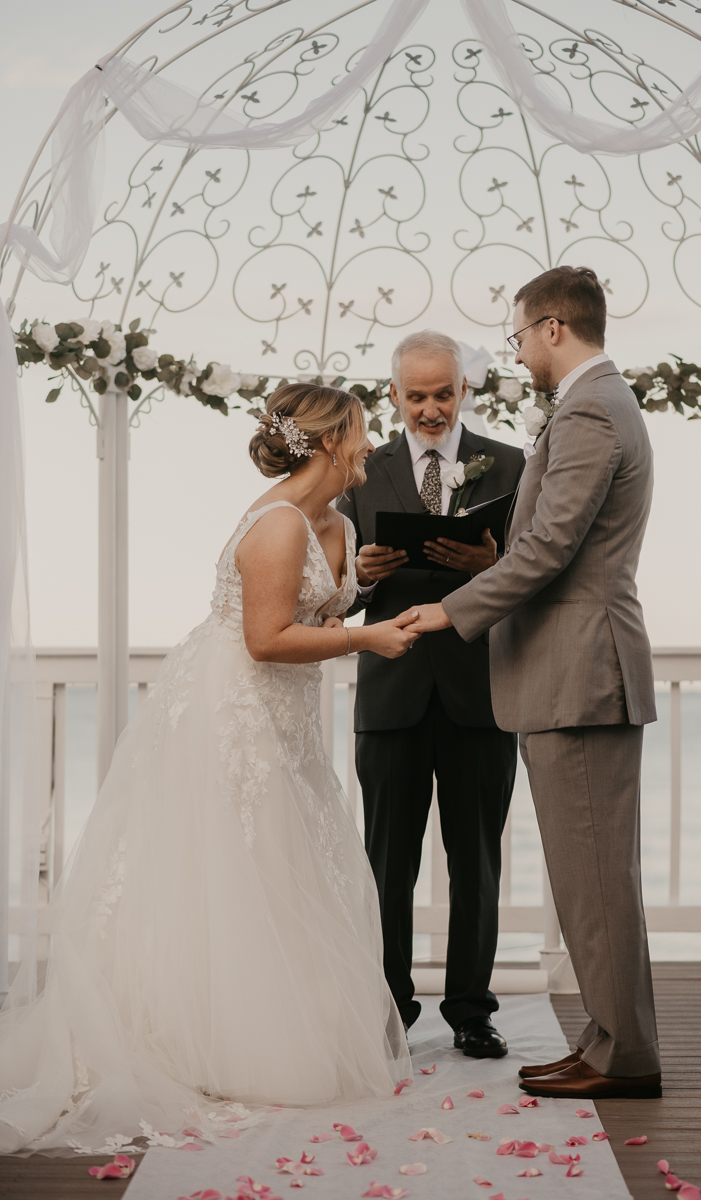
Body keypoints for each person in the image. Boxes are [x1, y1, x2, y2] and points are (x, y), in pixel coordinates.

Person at [0, 383, 416, 1155]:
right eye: (361, 430)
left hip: (285, 717)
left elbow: (319, 611)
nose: (370, 442)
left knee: (286, 868)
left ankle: (268, 1027)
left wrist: (363, 590)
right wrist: (370, 639)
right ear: (329, 441)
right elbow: (265, 638)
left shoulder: (335, 519)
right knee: (236, 867)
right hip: (236, 707)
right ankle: (199, 1042)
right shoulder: (279, 524)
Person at [405, 269, 662, 1099]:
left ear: (553, 328)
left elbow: (550, 547)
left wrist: (450, 611)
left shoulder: (589, 407)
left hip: (578, 673)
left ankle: (621, 1055)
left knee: (594, 879)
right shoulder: (601, 403)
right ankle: (605, 1037)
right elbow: (555, 544)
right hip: (576, 671)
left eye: (517, 336)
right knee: (590, 877)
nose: (515, 351)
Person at [338, 330, 524, 1058]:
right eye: (416, 396)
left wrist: (493, 558)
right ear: (394, 396)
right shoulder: (360, 471)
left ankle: (473, 1012)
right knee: (388, 861)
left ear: (463, 391)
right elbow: (341, 600)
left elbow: (535, 575)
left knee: (477, 859)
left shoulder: (510, 464)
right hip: (391, 692)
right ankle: (390, 1010)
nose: (431, 408)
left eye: (443, 393)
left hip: (481, 690)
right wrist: (366, 573)